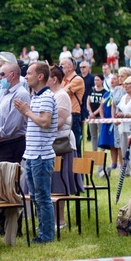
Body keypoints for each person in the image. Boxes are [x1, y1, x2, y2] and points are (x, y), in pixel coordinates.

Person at [14, 62, 57, 244]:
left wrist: (27, 111)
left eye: (29, 73)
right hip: (31, 154)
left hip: (41, 155)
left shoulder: (47, 97)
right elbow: (34, 121)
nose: (25, 76)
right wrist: (25, 112)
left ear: (40, 76)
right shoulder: (35, 96)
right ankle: (42, 231)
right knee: (35, 196)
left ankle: (46, 235)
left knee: (42, 197)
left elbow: (45, 122)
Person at [48, 66, 81, 228]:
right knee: (52, 183)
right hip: (52, 144)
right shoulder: (52, 95)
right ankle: (52, 219)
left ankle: (60, 220)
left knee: (58, 183)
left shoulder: (61, 96)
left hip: (62, 145)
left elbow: (58, 123)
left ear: (54, 79)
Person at [0, 63, 29, 166]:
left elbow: (13, 124)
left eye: (2, 74)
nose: (0, 77)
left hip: (9, 145)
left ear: (13, 75)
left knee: (6, 180)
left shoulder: (20, 94)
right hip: (0, 144)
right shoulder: (6, 93)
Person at [60, 57, 84, 152]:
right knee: (62, 144)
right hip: (64, 115)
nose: (59, 67)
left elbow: (63, 93)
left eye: (62, 65)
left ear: (70, 67)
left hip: (73, 115)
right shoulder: (62, 80)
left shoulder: (77, 79)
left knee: (74, 145)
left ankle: (77, 166)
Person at [86, 74, 105, 153]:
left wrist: (94, 113)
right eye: (95, 80)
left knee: (101, 134)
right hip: (91, 117)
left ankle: (101, 152)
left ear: (102, 81)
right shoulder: (91, 91)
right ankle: (94, 151)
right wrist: (90, 113)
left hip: (99, 116)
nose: (96, 82)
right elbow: (88, 103)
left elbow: (102, 105)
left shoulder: (105, 92)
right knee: (93, 135)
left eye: (98, 80)